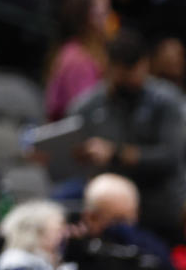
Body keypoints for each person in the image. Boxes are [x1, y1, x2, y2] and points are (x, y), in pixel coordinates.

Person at [71, 30, 186, 243]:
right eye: (123, 73)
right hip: (109, 210)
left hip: (159, 206)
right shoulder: (87, 106)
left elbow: (170, 156)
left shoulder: (167, 101)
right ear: (111, 67)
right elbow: (71, 149)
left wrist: (116, 154)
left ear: (146, 65)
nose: (131, 80)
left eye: (135, 72)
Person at [45, 0, 113, 121]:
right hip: (71, 139)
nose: (110, 18)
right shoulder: (78, 60)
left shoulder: (95, 52)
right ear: (88, 18)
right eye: (105, 12)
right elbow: (87, 116)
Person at [0, 200, 67, 270]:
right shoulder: (18, 263)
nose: (63, 234)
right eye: (58, 230)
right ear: (37, 232)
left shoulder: (39, 260)